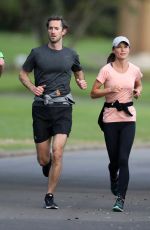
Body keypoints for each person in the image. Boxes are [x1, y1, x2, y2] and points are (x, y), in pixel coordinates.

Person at [19, 15, 87, 209]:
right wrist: (32, 87)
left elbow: (78, 70)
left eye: (56, 28)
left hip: (63, 107)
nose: (53, 31)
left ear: (63, 31)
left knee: (57, 152)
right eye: (50, 28)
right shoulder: (37, 53)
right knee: (43, 159)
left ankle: (49, 195)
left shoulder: (71, 54)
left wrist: (80, 81)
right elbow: (23, 73)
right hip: (41, 108)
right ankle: (46, 165)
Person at [90, 36, 142, 212]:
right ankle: (113, 174)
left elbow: (139, 84)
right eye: (119, 47)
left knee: (123, 159)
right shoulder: (106, 70)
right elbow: (93, 93)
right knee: (114, 161)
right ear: (114, 50)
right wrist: (109, 89)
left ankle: (120, 198)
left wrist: (137, 91)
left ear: (129, 50)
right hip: (110, 118)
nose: (122, 50)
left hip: (128, 118)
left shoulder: (134, 69)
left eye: (125, 47)